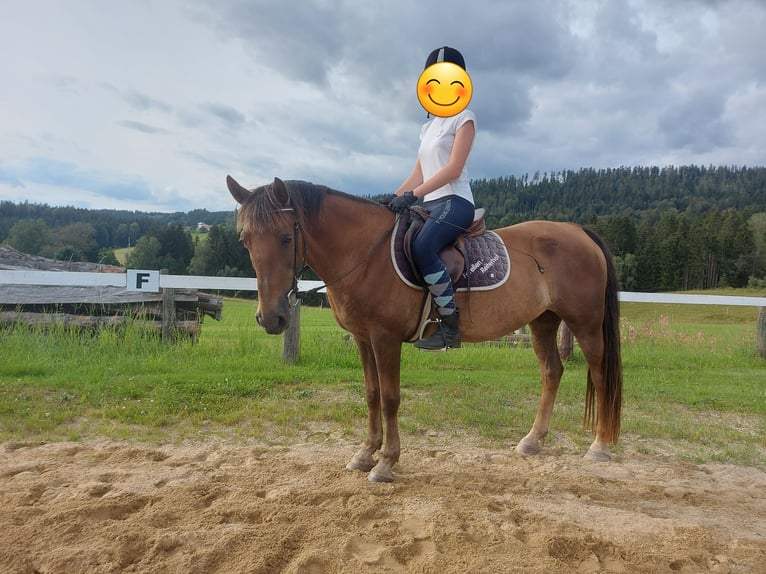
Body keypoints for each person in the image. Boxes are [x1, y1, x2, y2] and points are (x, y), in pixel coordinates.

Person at [386, 46, 476, 351]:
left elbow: (453, 168)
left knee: (423, 245)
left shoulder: (464, 118)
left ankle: (450, 327)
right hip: (430, 204)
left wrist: (413, 195)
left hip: (456, 201)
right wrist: (393, 198)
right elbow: (418, 173)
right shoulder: (427, 128)